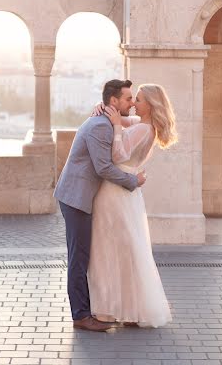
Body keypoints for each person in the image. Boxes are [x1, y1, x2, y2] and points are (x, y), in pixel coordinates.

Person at [53, 79, 147, 332]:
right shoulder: (100, 127)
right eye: (128, 98)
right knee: (78, 258)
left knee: (80, 256)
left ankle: (85, 311)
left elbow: (141, 123)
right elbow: (103, 167)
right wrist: (133, 181)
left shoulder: (104, 121)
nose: (131, 103)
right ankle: (81, 316)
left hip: (78, 195)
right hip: (76, 197)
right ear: (114, 102)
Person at [88, 83, 177, 327]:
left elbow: (118, 156)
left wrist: (116, 126)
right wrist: (105, 109)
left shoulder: (143, 130)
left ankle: (108, 310)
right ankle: (130, 308)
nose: (133, 104)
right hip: (126, 194)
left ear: (149, 105)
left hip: (115, 190)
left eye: (138, 100)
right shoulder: (144, 125)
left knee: (108, 249)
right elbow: (121, 118)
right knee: (126, 249)